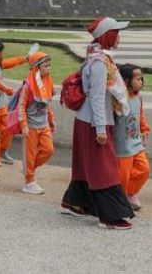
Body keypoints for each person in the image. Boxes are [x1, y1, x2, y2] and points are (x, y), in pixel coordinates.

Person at [61, 17, 135, 230]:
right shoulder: (100, 63)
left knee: (86, 166)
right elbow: (97, 97)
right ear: (107, 35)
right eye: (116, 32)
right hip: (95, 122)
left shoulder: (97, 57)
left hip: (88, 119)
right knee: (104, 168)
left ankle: (75, 202)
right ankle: (109, 216)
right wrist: (101, 129)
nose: (119, 37)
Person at [0, 40, 28, 165]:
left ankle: (2, 152)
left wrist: (24, 59)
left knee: (8, 129)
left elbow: (10, 63)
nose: (4, 55)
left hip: (2, 104)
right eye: (2, 52)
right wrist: (8, 89)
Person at [18, 52, 55, 194]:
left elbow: (47, 104)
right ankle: (29, 182)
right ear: (36, 68)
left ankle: (28, 169)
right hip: (31, 126)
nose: (49, 68)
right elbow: (21, 106)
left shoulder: (48, 82)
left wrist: (51, 120)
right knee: (30, 155)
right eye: (46, 66)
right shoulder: (27, 85)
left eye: (49, 65)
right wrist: (24, 125)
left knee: (48, 150)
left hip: (44, 125)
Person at [114, 64, 151, 210]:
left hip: (136, 143)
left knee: (144, 169)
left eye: (141, 78)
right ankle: (119, 202)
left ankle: (130, 193)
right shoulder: (118, 99)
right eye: (137, 78)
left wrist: (145, 130)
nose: (140, 81)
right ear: (126, 80)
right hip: (122, 146)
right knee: (122, 176)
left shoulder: (138, 98)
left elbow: (140, 116)